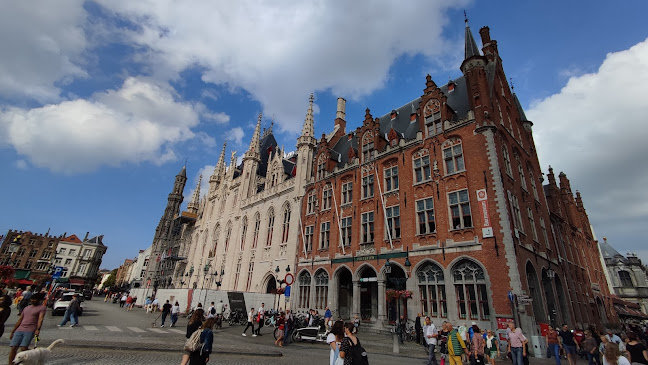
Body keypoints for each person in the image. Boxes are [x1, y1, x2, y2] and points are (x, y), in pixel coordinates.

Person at [8, 293, 46, 364]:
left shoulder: (42, 308)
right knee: (13, 348)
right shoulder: (26, 308)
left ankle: (27, 359)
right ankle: (10, 363)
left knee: (24, 348)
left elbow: (41, 319)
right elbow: (20, 320)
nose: (33, 300)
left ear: (39, 300)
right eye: (32, 299)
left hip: (30, 330)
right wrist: (13, 331)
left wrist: (38, 329)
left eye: (35, 299)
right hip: (20, 329)